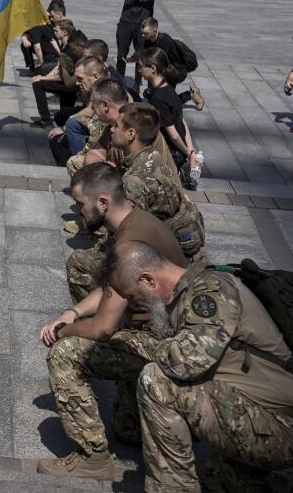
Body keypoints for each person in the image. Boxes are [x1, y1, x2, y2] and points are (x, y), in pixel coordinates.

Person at [99, 241, 293, 492]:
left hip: (281, 425)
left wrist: (139, 345)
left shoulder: (210, 290)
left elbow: (186, 361)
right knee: (221, 486)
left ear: (148, 280)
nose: (131, 303)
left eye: (129, 294)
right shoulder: (183, 296)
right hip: (253, 414)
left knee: (157, 381)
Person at [36, 164, 188, 480]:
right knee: (125, 429)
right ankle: (137, 418)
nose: (77, 211)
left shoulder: (127, 243)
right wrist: (74, 312)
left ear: (103, 203)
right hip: (164, 332)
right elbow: (110, 288)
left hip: (166, 342)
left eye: (81, 204)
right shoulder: (133, 222)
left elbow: (102, 329)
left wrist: (64, 330)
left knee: (64, 354)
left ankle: (93, 459)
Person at [108, 102, 206, 264]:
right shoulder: (156, 156)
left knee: (80, 263)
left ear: (131, 134)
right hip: (180, 243)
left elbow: (129, 233)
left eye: (116, 126)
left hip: (162, 256)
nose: (112, 129)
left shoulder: (134, 180)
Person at [138, 48, 196, 173]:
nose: (139, 70)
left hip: (170, 154)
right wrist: (190, 149)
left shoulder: (158, 98)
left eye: (141, 67)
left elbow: (173, 134)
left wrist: (188, 153)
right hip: (180, 150)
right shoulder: (169, 89)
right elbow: (181, 120)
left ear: (152, 68)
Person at [138, 18, 204, 110]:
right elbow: (144, 54)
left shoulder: (165, 40)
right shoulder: (148, 40)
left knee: (169, 102)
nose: (143, 35)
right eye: (142, 33)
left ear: (155, 31)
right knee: (153, 97)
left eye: (146, 33)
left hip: (175, 72)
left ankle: (191, 94)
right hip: (161, 70)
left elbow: (159, 61)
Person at [114, 0, 157, 81]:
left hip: (143, 25)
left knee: (140, 56)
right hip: (126, 22)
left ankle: (137, 83)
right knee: (121, 54)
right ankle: (119, 80)